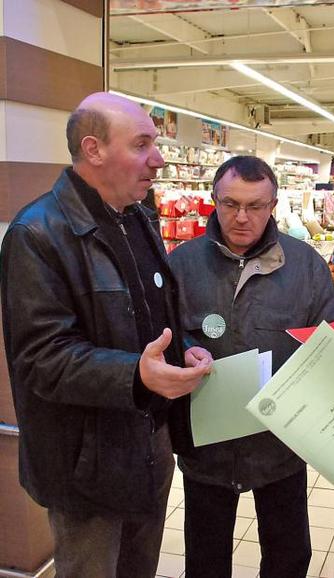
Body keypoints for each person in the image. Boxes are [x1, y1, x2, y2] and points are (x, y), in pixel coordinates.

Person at [0, 92, 213, 578]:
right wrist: (136, 374)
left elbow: (148, 316)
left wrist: (182, 348)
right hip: (86, 462)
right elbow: (40, 359)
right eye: (142, 145)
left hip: (150, 444)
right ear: (93, 150)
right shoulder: (38, 234)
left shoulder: (138, 217)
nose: (158, 159)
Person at [167, 155, 334, 578]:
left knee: (288, 556)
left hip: (280, 443)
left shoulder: (305, 266)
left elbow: (330, 345)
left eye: (255, 206)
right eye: (230, 204)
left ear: (273, 205)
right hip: (207, 447)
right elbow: (162, 334)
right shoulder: (182, 264)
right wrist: (186, 350)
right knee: (205, 560)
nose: (242, 217)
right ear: (214, 201)